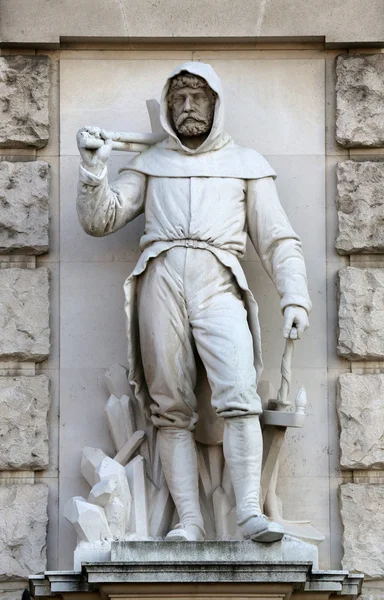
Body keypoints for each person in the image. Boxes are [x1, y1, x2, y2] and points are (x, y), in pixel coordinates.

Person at [76, 62, 311, 543]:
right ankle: (190, 521)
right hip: (159, 278)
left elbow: (279, 239)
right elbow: (101, 220)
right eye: (178, 98)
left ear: (215, 104)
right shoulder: (150, 162)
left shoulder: (246, 163)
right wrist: (94, 168)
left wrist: (296, 295)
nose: (187, 107)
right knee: (169, 407)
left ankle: (248, 511)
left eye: (197, 97)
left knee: (239, 394)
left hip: (218, 277)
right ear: (166, 107)